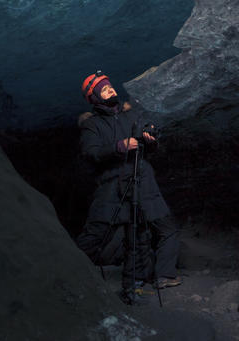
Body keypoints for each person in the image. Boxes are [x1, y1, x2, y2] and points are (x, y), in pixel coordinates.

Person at [75, 71, 181, 303]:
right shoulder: (92, 125)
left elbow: (148, 138)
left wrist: (150, 135)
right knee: (95, 233)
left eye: (110, 86)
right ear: (94, 97)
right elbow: (91, 153)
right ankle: (70, 274)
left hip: (138, 181)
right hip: (111, 185)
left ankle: (135, 284)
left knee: (139, 234)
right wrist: (120, 146)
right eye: (103, 89)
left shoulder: (130, 115)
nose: (110, 90)